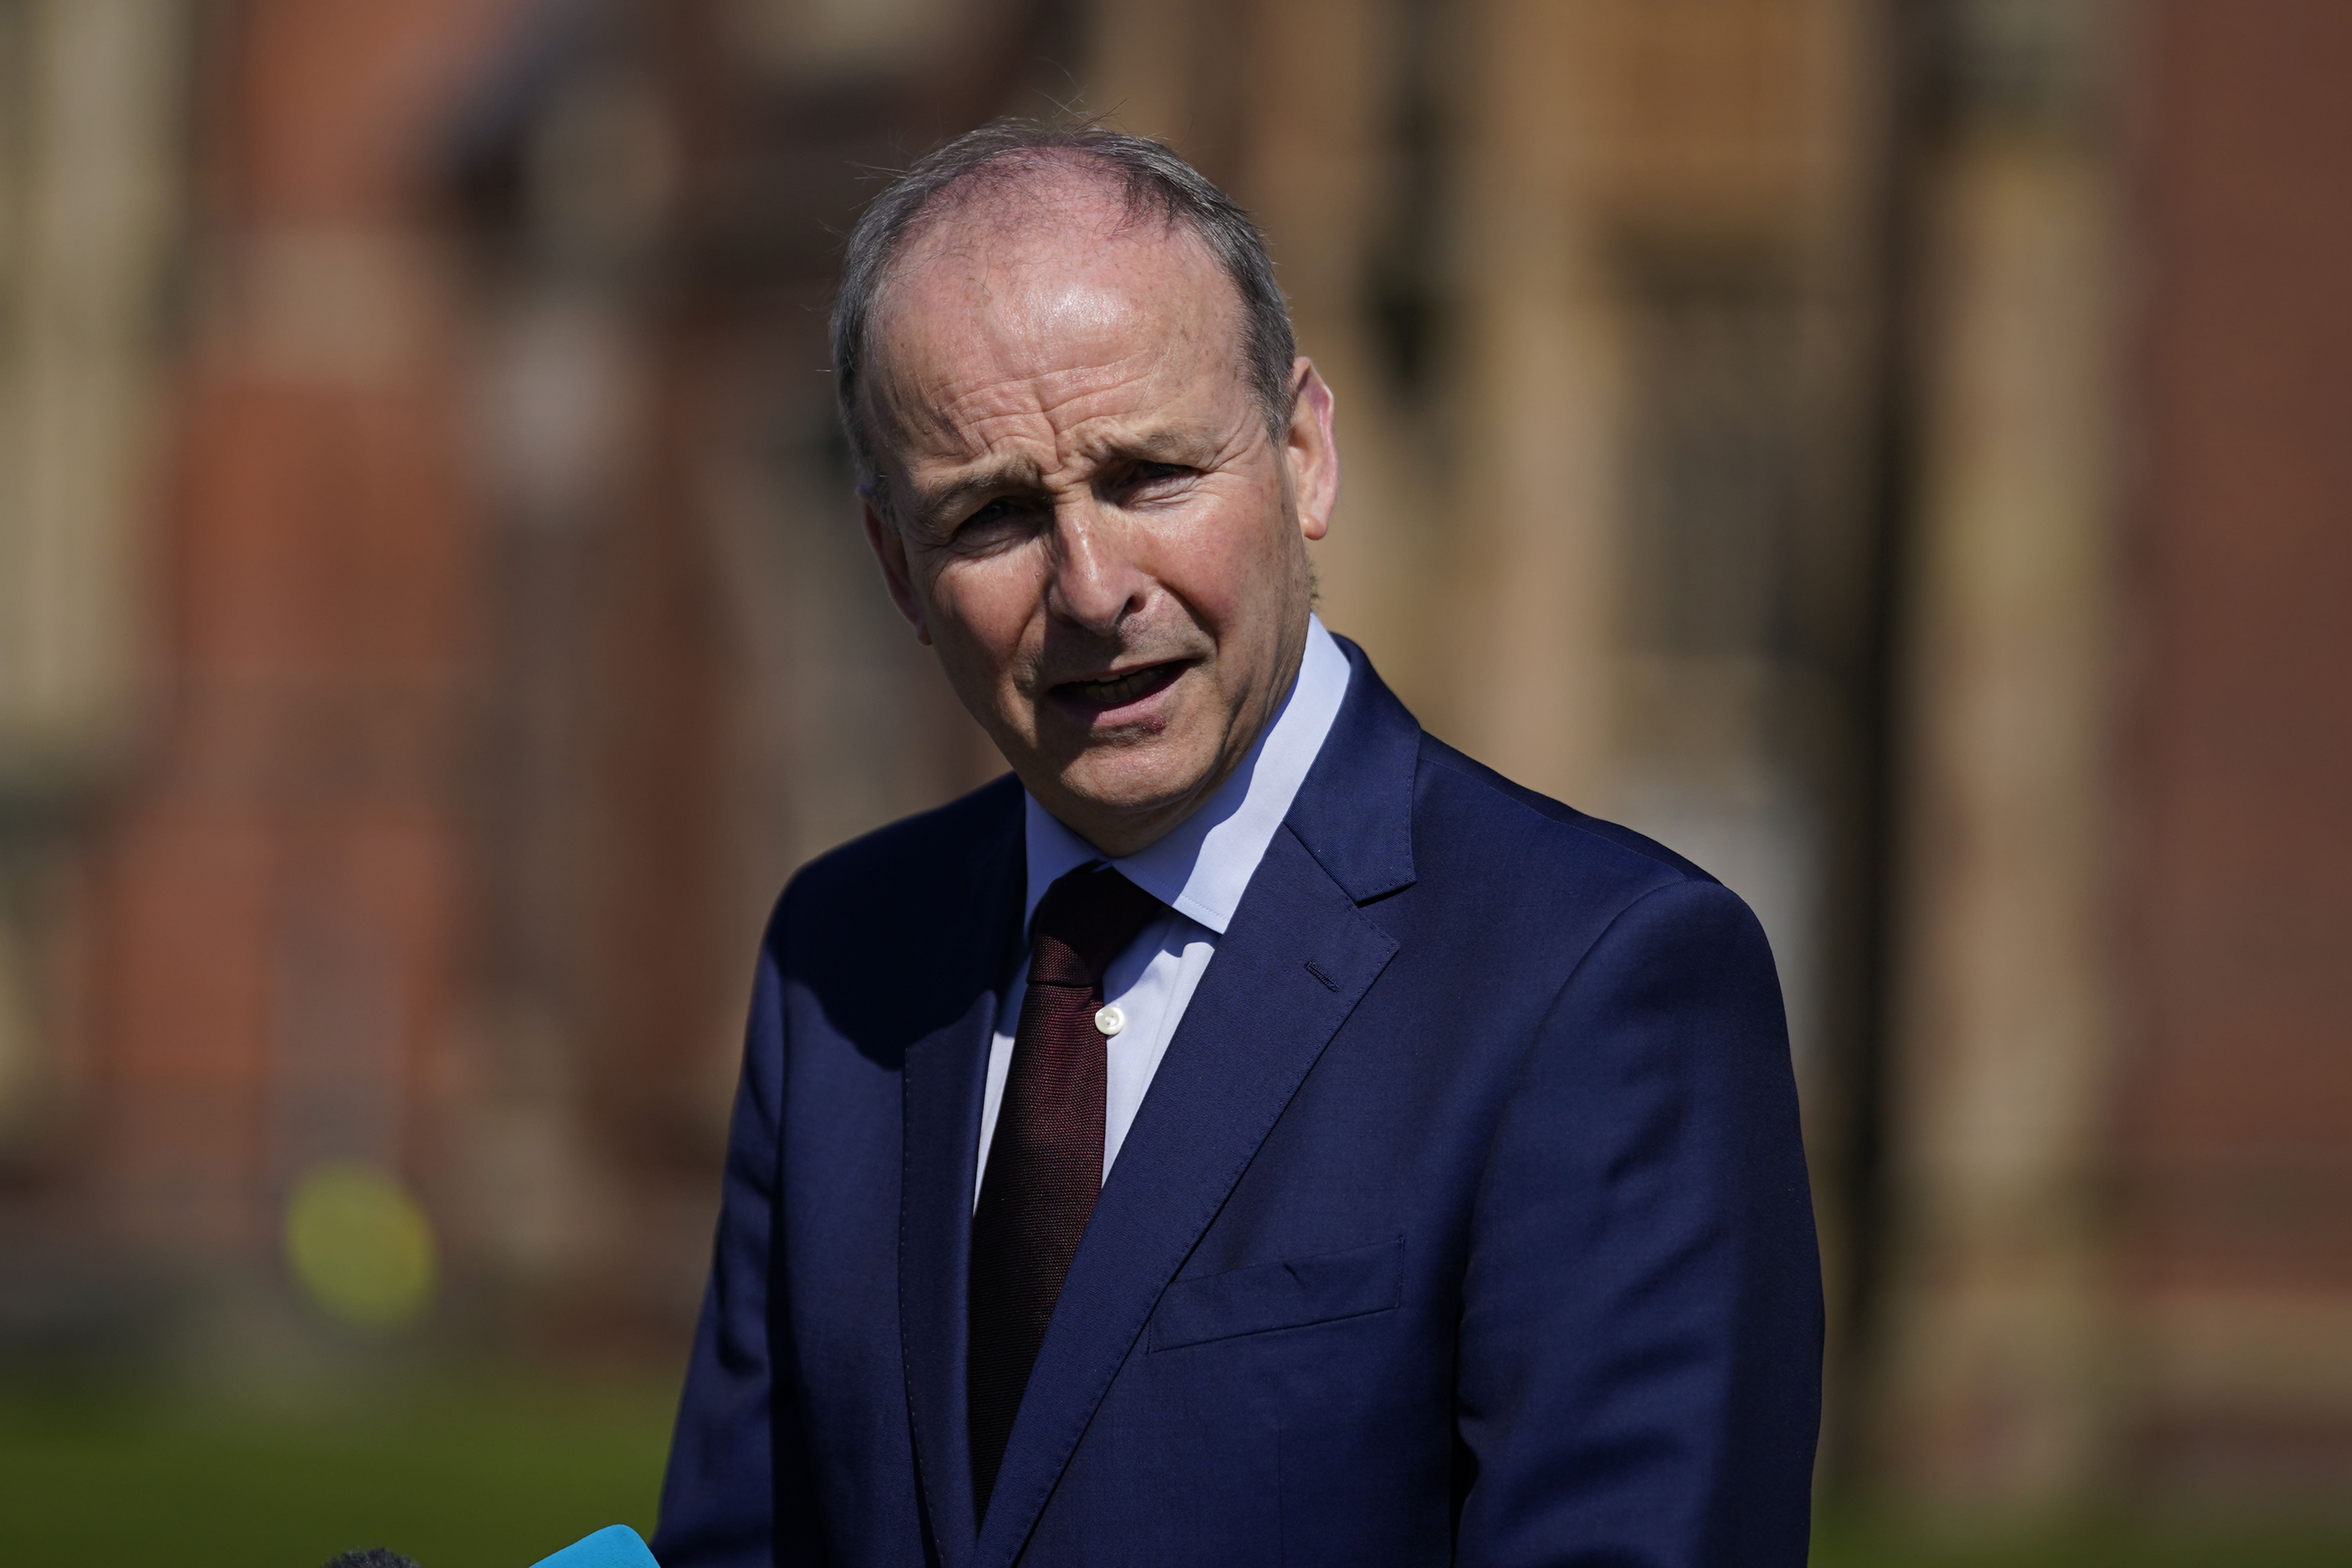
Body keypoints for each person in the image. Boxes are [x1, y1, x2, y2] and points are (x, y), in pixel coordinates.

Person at [652, 121, 1820, 1568]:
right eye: (997, 515)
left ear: (1304, 454)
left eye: (1150, 478)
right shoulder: (842, 960)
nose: (1092, 588)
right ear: (897, 567)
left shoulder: (1598, 982)